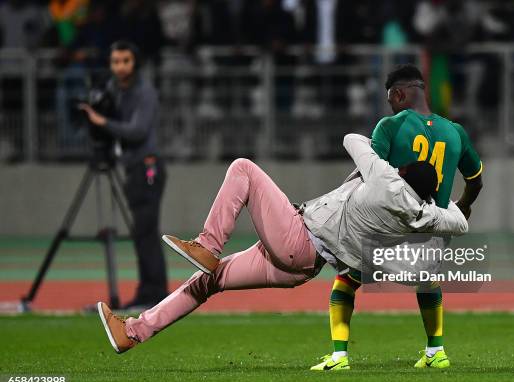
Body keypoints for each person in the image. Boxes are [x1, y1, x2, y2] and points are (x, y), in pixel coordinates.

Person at [96, 133, 469, 354]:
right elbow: (461, 221)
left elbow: (352, 140)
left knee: (243, 168)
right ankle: (132, 333)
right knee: (209, 282)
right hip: (304, 266)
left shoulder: (385, 178)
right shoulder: (423, 213)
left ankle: (208, 245)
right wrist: (439, 203)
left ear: (401, 172)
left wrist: (385, 143)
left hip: (298, 237)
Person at [312, 64, 483, 371]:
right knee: (428, 282)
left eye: (390, 98)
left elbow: (370, 175)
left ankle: (339, 356)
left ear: (399, 93)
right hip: (431, 236)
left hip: (388, 234)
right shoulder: (455, 133)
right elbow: (476, 181)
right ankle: (436, 352)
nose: (390, 104)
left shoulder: (390, 127)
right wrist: (463, 206)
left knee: (346, 280)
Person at [79, 41, 168, 310]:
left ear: (135, 63)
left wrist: (102, 122)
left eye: (125, 61)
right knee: (141, 234)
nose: (119, 67)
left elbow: (138, 131)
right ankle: (147, 293)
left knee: (146, 232)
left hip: (148, 168)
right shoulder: (113, 91)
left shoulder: (145, 92)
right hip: (132, 168)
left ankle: (155, 295)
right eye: (115, 61)